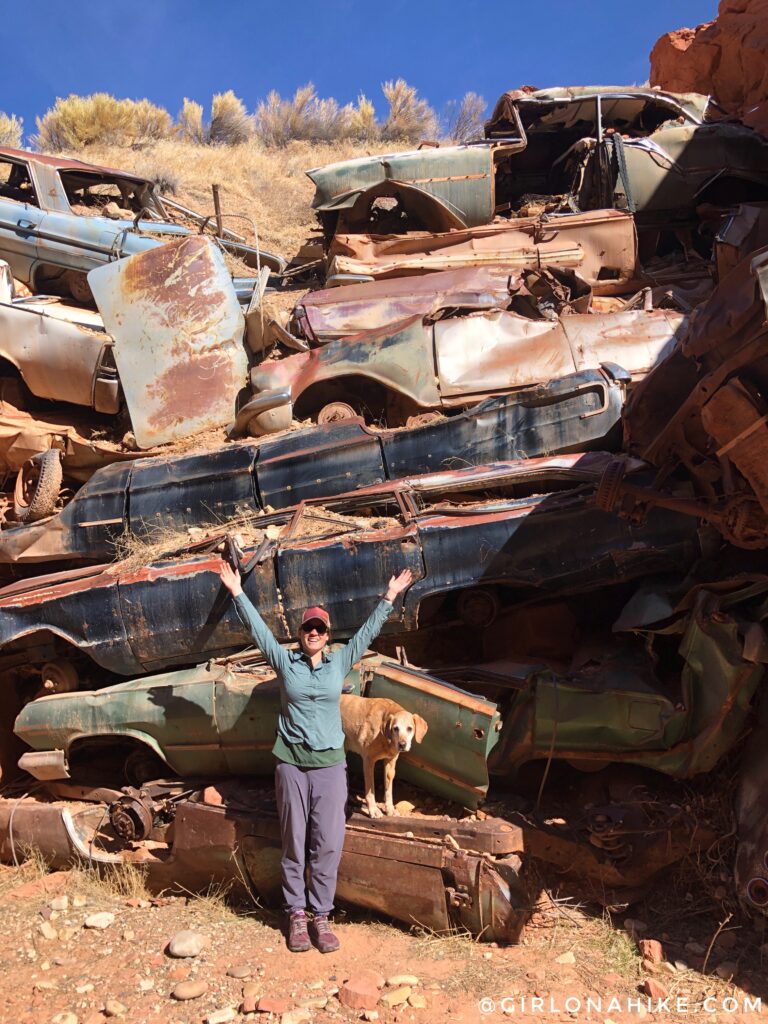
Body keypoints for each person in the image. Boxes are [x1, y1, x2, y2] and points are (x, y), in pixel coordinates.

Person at [218, 558, 414, 954]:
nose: (313, 632)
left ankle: (321, 916)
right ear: (301, 634)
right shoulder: (285, 662)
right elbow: (260, 633)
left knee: (327, 843)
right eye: (308, 627)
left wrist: (389, 597)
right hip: (291, 764)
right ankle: (295, 915)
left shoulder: (339, 661)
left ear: (326, 636)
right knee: (294, 841)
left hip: (329, 766)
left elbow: (366, 633)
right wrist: (238, 591)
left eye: (320, 628)